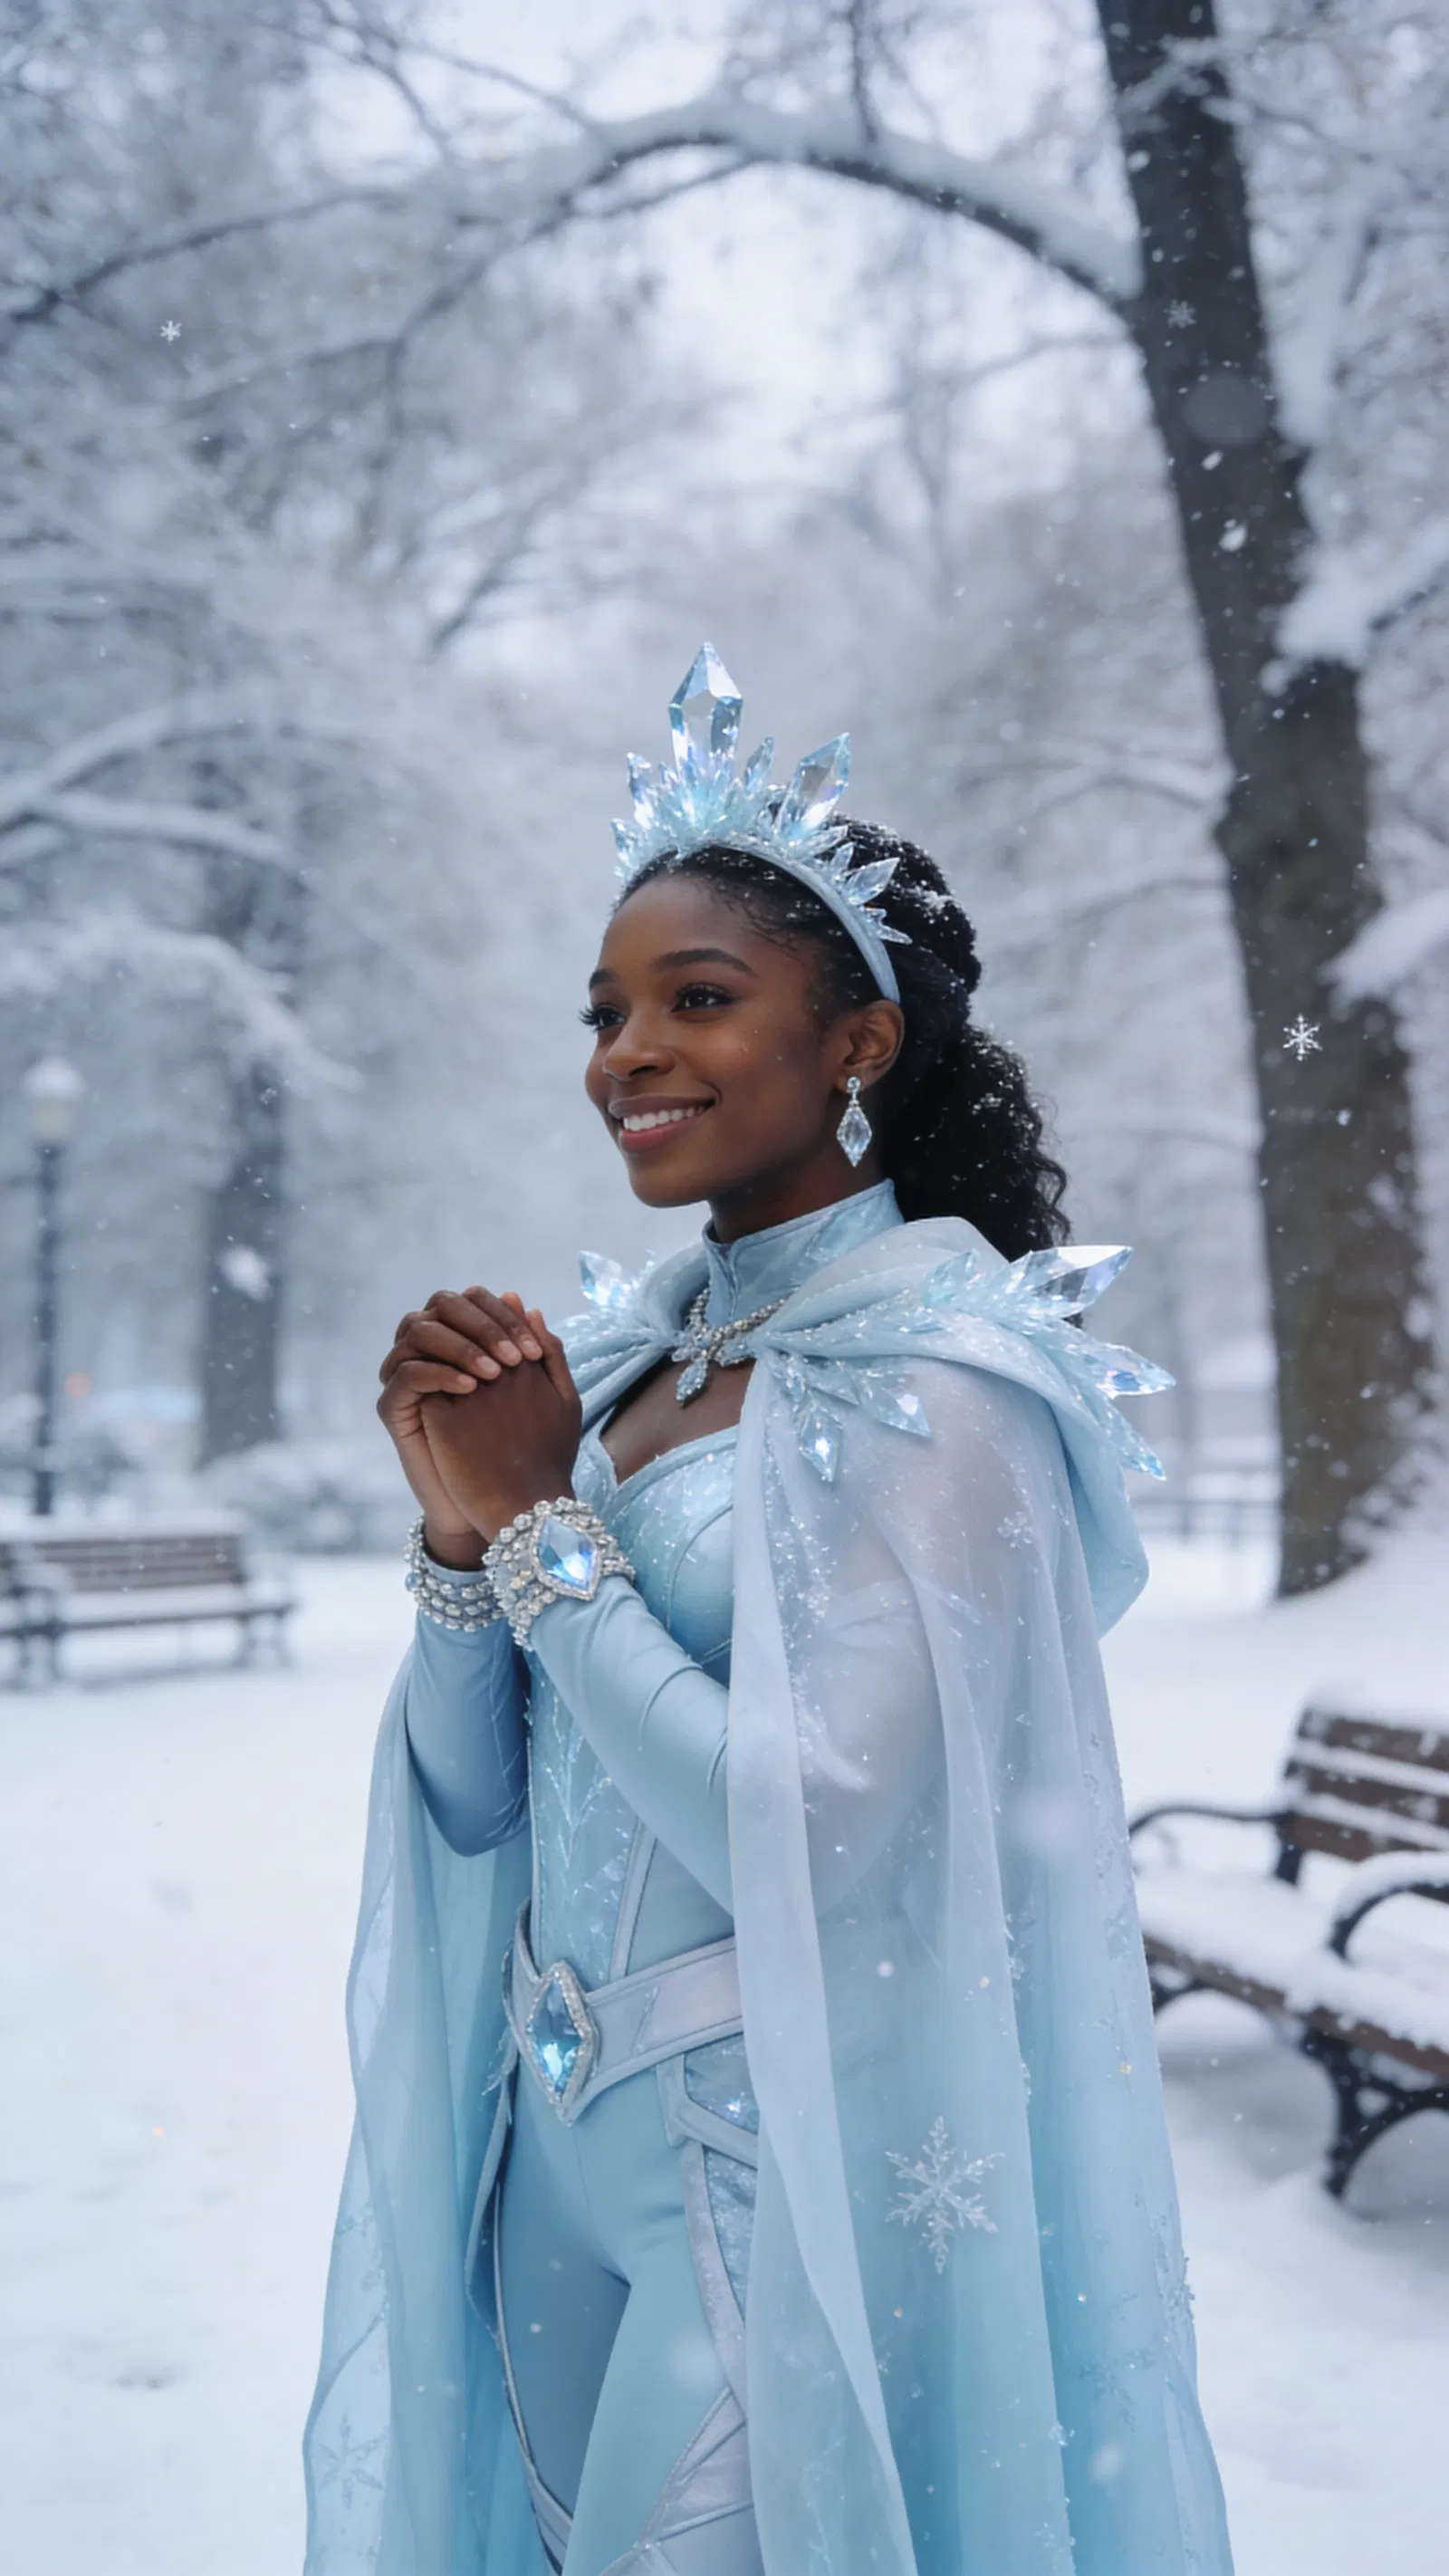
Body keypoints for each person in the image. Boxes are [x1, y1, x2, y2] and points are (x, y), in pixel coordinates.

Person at [303, 649, 1233, 2576]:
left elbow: (814, 1815)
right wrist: (460, 1531)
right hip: (541, 2158)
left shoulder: (941, 1382)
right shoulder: (633, 1356)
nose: (623, 1053)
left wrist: (548, 1538)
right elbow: (477, 1808)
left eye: (695, 1000)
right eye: (606, 1011)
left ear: (858, 1044)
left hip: (770, 2170)